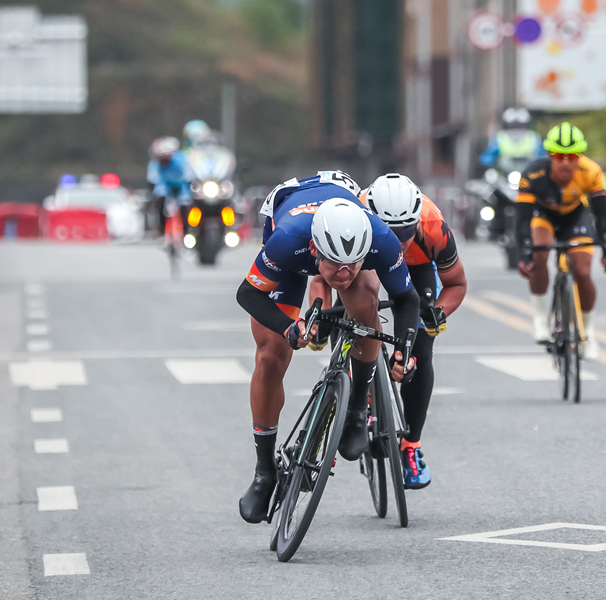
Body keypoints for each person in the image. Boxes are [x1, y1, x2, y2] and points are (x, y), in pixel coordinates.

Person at [234, 171, 420, 524]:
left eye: (352, 264)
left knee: (365, 309)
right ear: (317, 250)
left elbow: (406, 299)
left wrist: (403, 351)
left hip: (344, 218)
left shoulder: (379, 238)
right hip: (290, 216)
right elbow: (248, 293)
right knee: (271, 356)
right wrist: (289, 327)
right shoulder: (288, 241)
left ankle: (355, 411)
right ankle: (263, 471)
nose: (343, 273)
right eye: (334, 264)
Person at [313, 174, 468, 489]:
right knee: (351, 319)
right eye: (389, 231)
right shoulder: (352, 215)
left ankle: (411, 444)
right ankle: (342, 410)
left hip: (416, 267)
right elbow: (321, 276)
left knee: (421, 350)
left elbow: (456, 285)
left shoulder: (433, 226)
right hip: (364, 258)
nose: (397, 241)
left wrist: (438, 312)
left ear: (416, 222)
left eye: (405, 232)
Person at [514, 122, 606, 360]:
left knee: (582, 271)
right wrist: (525, 255)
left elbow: (602, 216)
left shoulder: (591, 172)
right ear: (550, 155)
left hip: (575, 216)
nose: (566, 162)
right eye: (560, 156)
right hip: (544, 216)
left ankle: (588, 332)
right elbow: (521, 221)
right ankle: (541, 320)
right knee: (540, 255)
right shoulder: (532, 174)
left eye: (572, 157)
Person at [147, 136, 193, 235]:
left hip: (181, 185)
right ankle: (161, 228)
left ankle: (186, 228)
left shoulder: (180, 158)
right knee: (160, 199)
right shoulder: (156, 162)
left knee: (185, 203)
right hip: (166, 184)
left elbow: (188, 174)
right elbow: (153, 178)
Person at [479, 107, 545, 173]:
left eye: (519, 126)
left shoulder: (533, 138)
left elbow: (542, 155)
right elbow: (490, 154)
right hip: (504, 175)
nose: (516, 130)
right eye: (512, 126)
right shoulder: (499, 138)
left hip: (529, 175)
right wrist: (486, 161)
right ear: (506, 125)